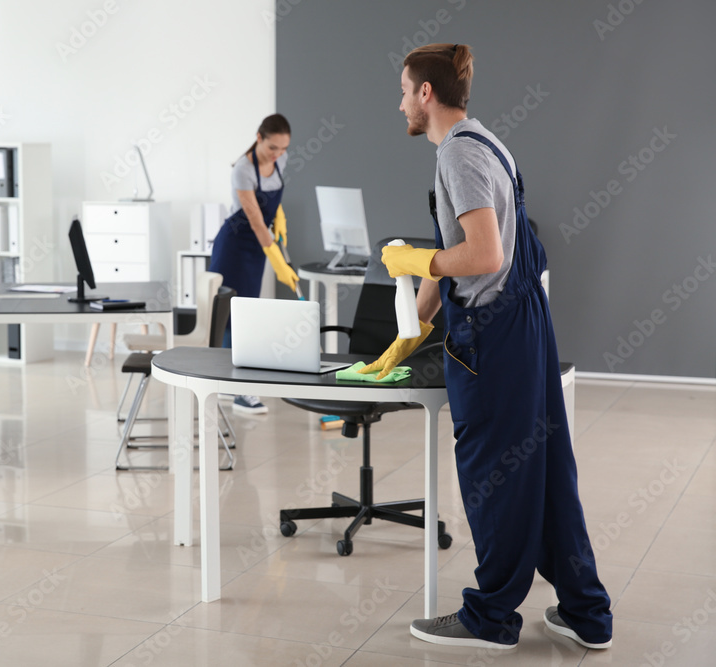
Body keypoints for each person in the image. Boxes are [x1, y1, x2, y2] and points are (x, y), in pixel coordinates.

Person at [358, 44, 613, 650]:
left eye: (403, 91)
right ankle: (586, 611)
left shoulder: (458, 157)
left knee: (494, 475)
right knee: (547, 472)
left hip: (491, 338)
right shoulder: (485, 141)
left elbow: (482, 255)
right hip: (523, 322)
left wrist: (416, 257)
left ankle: (491, 617)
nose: (399, 104)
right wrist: (407, 334)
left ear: (426, 94)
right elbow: (456, 261)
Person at [209, 113, 299, 415]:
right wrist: (280, 264)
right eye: (273, 148)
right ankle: (238, 390)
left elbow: (273, 203)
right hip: (236, 245)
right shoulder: (242, 170)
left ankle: (228, 384)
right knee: (232, 314)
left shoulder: (279, 161)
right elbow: (257, 223)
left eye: (283, 149)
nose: (278, 154)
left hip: (260, 247)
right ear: (259, 137)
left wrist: (281, 219)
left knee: (245, 310)